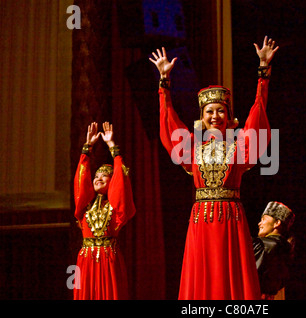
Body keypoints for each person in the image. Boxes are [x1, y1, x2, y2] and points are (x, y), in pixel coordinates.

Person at [150, 36, 279, 299]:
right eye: (209, 111)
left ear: (228, 115)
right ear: (202, 116)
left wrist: (263, 72)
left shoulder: (240, 145)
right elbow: (168, 124)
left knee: (230, 277)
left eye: (220, 110)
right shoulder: (192, 147)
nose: (215, 116)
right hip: (201, 220)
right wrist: (164, 84)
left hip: (230, 219)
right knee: (203, 278)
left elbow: (258, 115)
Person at [73, 122, 136, 300]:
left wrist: (112, 147)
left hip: (109, 261)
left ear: (112, 182)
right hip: (86, 261)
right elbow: (81, 181)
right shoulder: (84, 207)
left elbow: (121, 184)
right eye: (96, 175)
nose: (98, 177)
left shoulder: (117, 211)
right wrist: (87, 148)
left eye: (104, 175)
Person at [253, 201, 295, 300]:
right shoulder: (287, 250)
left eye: (263, 219)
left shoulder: (263, 245)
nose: (259, 223)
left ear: (277, 223)